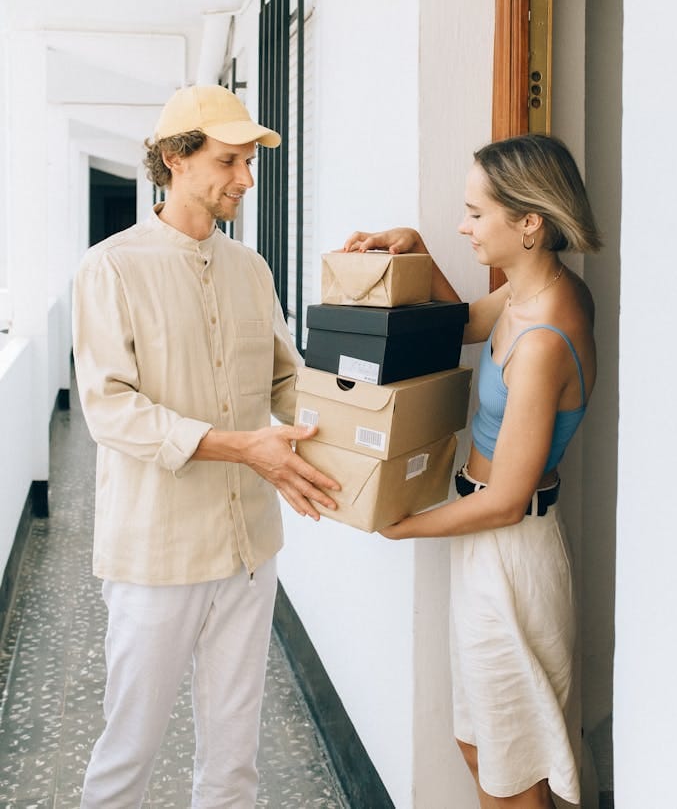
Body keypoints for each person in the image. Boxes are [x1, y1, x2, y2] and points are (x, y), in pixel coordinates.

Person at [72, 84, 340, 809]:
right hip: (156, 553)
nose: (245, 181)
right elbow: (110, 410)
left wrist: (357, 436)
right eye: (229, 162)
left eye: (248, 162)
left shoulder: (251, 270)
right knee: (129, 750)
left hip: (250, 547)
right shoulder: (111, 269)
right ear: (173, 160)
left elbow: (286, 380)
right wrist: (244, 448)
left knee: (234, 757)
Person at [344, 133, 602, 809]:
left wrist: (402, 527)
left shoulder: (546, 334)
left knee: (510, 769)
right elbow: (459, 325)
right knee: (488, 747)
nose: (464, 226)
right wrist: (414, 248)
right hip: (490, 547)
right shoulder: (528, 292)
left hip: (510, 551)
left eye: (475, 213)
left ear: (529, 222)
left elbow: (507, 500)